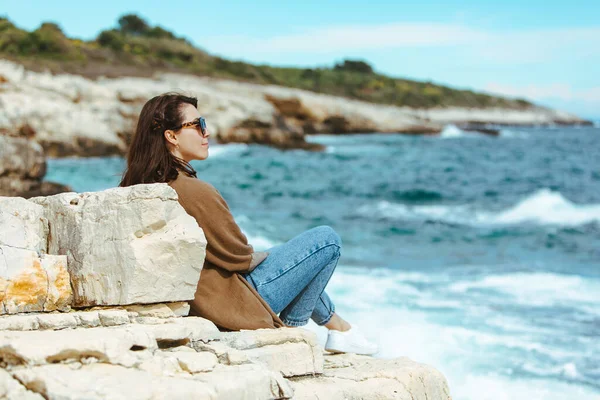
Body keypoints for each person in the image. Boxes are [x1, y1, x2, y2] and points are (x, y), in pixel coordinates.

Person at [120, 92, 378, 355]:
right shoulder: (194, 192)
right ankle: (295, 335)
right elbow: (238, 258)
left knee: (298, 260)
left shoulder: (140, 187)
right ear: (171, 136)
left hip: (202, 300)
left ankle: (340, 329)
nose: (206, 133)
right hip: (231, 304)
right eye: (198, 125)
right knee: (326, 241)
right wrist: (265, 255)